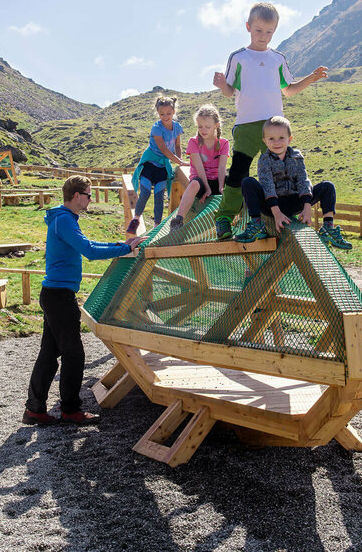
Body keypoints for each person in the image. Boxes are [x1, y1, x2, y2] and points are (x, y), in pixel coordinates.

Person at [24, 176, 145, 426]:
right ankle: (70, 410)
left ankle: (35, 409)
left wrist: (120, 246)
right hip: (59, 297)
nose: (90, 200)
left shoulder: (63, 219)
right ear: (77, 196)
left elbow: (89, 245)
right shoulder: (65, 220)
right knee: (74, 354)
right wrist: (124, 249)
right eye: (89, 195)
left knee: (49, 353)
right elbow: (89, 250)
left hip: (54, 293)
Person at [211, 2, 329, 239]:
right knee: (238, 173)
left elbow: (290, 89)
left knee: (286, 170)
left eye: (269, 31)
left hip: (275, 125)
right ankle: (225, 217)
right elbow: (229, 91)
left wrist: (312, 78)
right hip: (246, 126)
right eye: (258, 30)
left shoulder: (278, 58)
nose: (263, 36)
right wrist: (223, 85)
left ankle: (288, 211)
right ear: (248, 27)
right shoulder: (239, 57)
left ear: (275, 30)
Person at [233, 116, 353, 250]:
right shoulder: (264, 159)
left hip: (295, 200)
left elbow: (303, 180)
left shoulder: (296, 156)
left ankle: (328, 227)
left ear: (289, 139)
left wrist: (307, 207)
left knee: (328, 186)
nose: (276, 142)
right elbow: (267, 185)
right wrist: (277, 214)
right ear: (264, 141)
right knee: (248, 182)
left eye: (281, 138)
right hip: (272, 204)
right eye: (271, 138)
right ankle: (256, 224)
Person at [127, 95, 189, 234]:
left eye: (168, 113)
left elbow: (177, 145)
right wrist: (179, 162)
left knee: (159, 197)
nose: (165, 116)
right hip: (150, 164)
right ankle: (136, 219)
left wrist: (180, 160)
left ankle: (156, 227)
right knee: (145, 192)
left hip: (162, 166)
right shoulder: (157, 128)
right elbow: (164, 150)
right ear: (158, 113)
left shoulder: (177, 127)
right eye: (162, 114)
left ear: (173, 112)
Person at [170, 104, 229, 230]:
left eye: (207, 127)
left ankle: (244, 220)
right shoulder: (194, 142)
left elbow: (222, 167)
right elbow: (199, 168)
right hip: (201, 181)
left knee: (236, 182)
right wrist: (207, 188)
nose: (203, 130)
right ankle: (178, 219)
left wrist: (221, 186)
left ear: (216, 125)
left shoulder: (224, 143)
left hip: (217, 179)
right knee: (194, 184)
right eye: (200, 126)